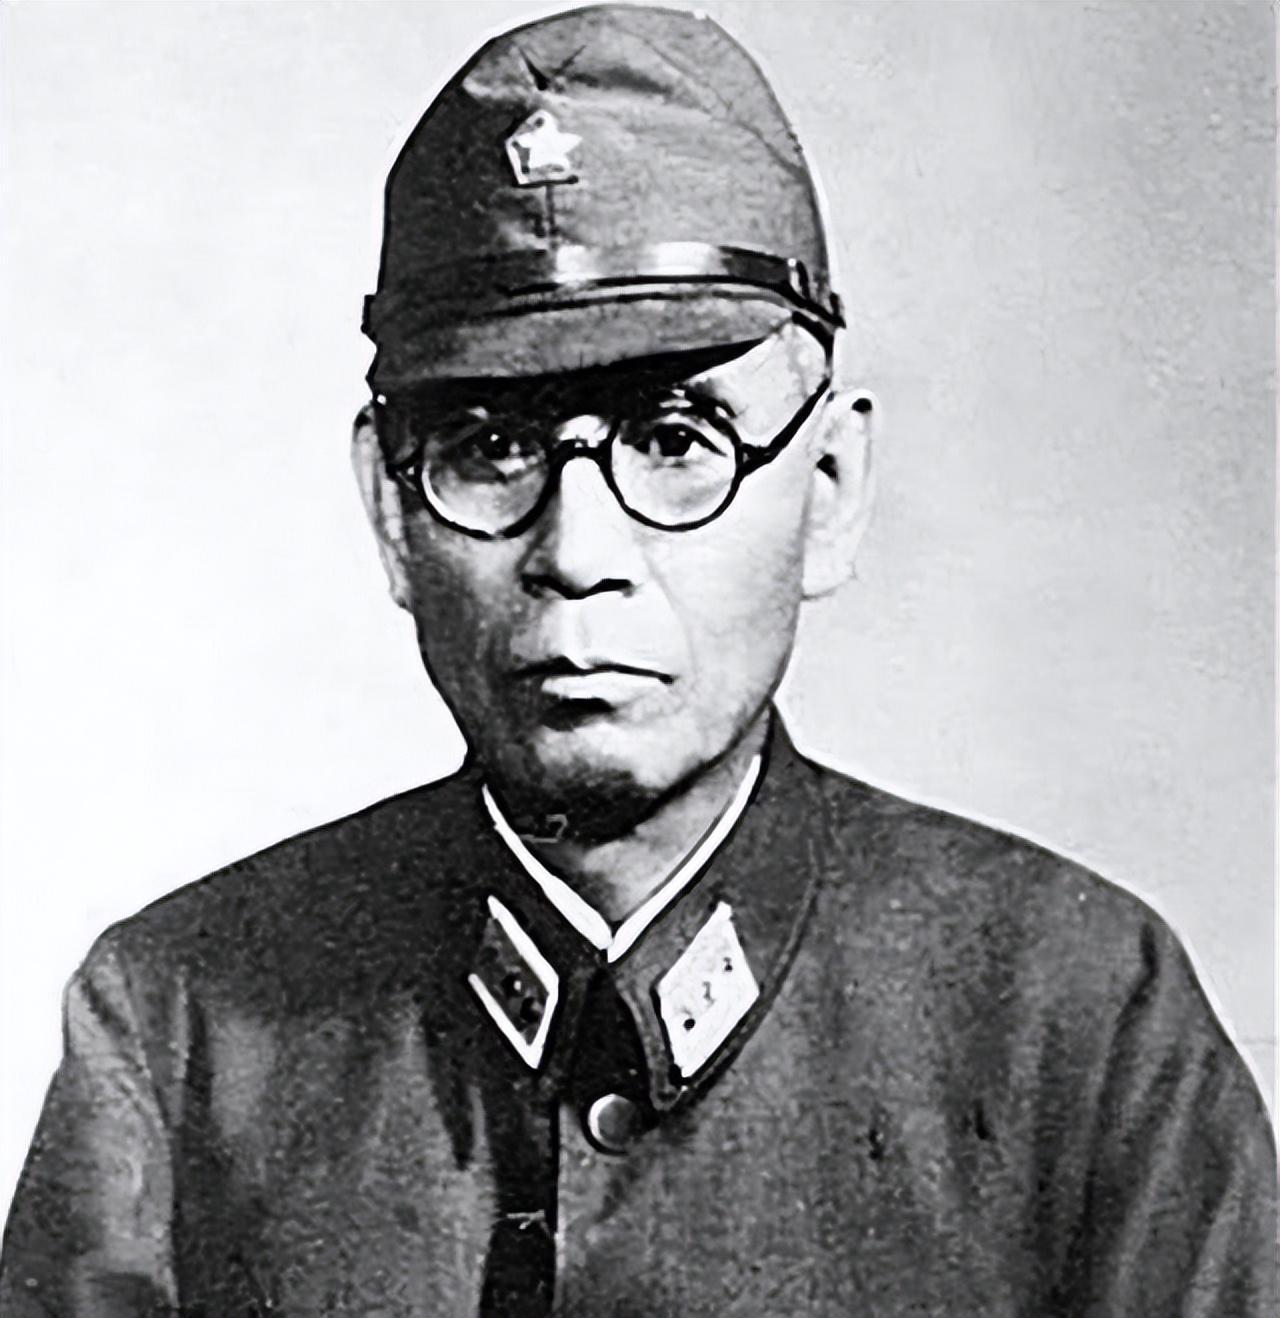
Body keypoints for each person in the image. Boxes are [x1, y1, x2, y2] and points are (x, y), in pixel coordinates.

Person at [1, 5, 1274, 1314]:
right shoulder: (177, 1029)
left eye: (675, 439)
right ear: (389, 512)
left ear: (829, 488)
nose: (578, 552)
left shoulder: (1082, 1024)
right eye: (491, 447)